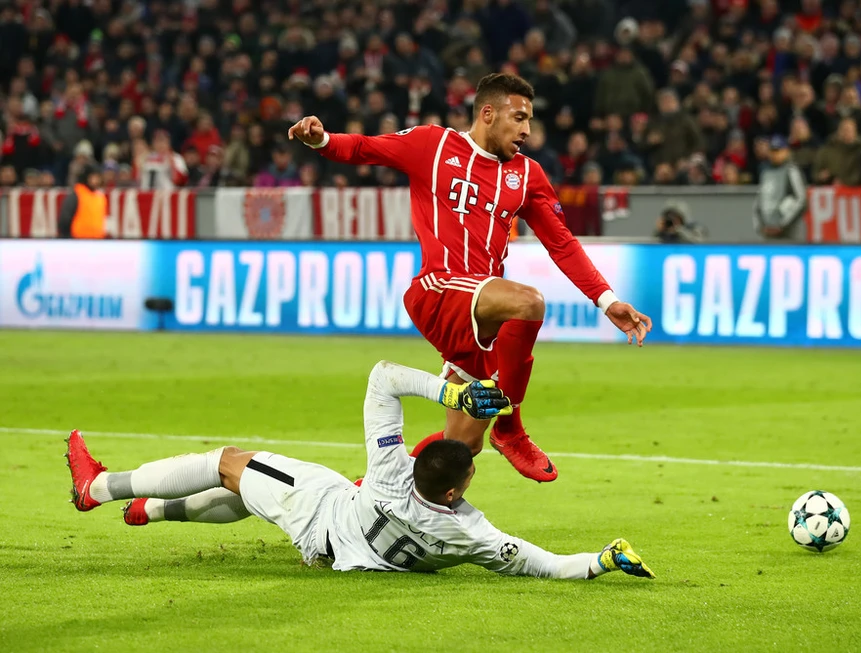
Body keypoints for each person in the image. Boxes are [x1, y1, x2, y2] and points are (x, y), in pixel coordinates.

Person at [288, 73, 652, 483]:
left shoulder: (528, 176)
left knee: (462, 445)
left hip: (483, 316)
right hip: (438, 289)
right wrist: (320, 139)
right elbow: (362, 148)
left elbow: (562, 243)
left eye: (529, 120)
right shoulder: (433, 145)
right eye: (518, 118)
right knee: (529, 303)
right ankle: (511, 428)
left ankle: (364, 496)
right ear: (488, 113)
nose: (527, 131)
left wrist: (607, 300)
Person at [65, 361, 654, 580]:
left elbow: (382, 377)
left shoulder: (391, 469)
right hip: (347, 548)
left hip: (324, 514)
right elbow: (542, 564)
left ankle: (96, 488)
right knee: (250, 492)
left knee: (230, 464)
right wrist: (601, 560)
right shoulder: (472, 534)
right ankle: (152, 509)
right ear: (454, 489)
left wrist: (451, 397)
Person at [752, 136, 808, 239]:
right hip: (768, 229)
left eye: (778, 151)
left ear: (786, 151)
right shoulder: (766, 172)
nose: (774, 154)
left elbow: (801, 200)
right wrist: (760, 226)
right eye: (772, 151)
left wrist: (783, 225)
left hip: (789, 231)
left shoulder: (791, 171)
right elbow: (760, 200)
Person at [57, 164, 107, 239]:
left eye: (98, 177)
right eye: (94, 177)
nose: (97, 181)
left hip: (97, 241)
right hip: (78, 241)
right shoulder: (76, 195)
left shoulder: (100, 197)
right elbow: (64, 220)